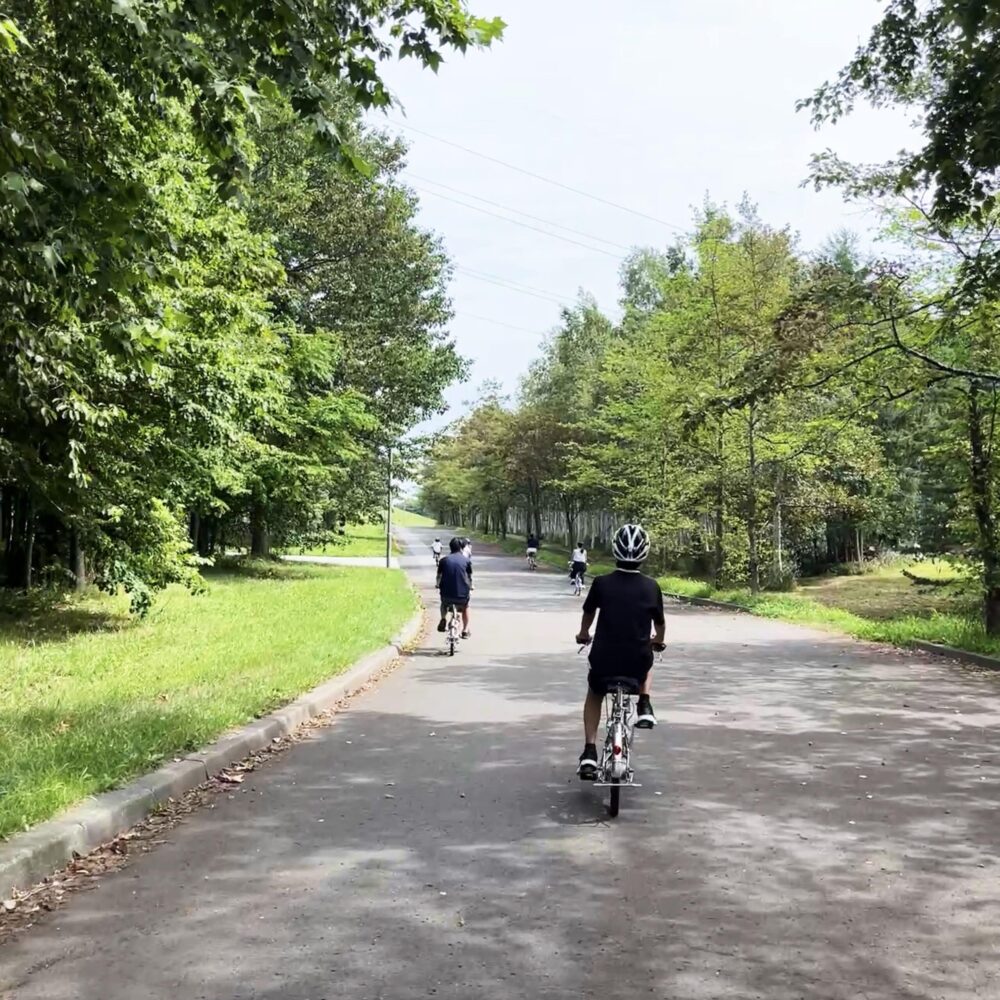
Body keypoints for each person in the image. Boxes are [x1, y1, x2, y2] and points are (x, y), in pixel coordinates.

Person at [574, 523, 665, 779]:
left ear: (615, 550)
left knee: (595, 693)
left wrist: (583, 634)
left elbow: (588, 612)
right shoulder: (651, 586)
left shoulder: (602, 583)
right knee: (649, 661)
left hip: (604, 661)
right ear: (644, 554)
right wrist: (657, 640)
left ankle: (590, 751)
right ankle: (645, 705)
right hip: (635, 663)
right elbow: (659, 624)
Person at [436, 536, 473, 638]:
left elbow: (439, 576)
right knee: (466, 607)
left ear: (450, 547)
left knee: (443, 604)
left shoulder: (443, 561)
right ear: (461, 548)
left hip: (446, 595)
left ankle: (443, 618)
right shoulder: (466, 561)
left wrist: (438, 585)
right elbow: (469, 577)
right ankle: (465, 630)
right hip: (462, 596)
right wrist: (470, 586)